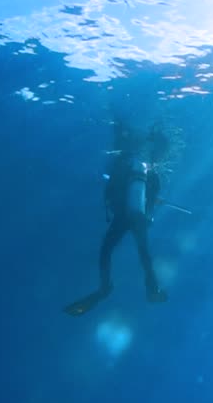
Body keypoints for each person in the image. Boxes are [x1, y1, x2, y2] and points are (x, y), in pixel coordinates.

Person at [63, 121, 171, 316]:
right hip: (138, 218)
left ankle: (105, 288)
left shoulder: (125, 164)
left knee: (106, 249)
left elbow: (111, 189)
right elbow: (149, 199)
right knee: (144, 252)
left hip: (122, 216)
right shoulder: (152, 174)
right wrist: (151, 205)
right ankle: (152, 287)